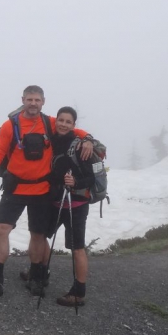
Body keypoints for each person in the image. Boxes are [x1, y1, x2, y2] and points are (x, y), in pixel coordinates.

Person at [0, 86, 94, 297]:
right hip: (15, 187)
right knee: (1, 228)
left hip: (42, 189)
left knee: (38, 234)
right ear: (23, 100)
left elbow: (73, 130)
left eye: (37, 100)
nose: (33, 103)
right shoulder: (10, 125)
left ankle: (37, 278)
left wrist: (89, 139)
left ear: (43, 102)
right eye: (30, 99)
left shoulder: (50, 123)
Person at [41, 106, 103, 306]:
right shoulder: (51, 140)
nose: (63, 124)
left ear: (74, 125)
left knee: (77, 248)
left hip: (76, 204)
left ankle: (79, 292)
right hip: (55, 201)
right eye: (61, 120)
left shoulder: (80, 146)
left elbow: (91, 178)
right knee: (40, 237)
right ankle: (41, 272)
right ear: (56, 121)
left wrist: (75, 183)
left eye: (68, 122)